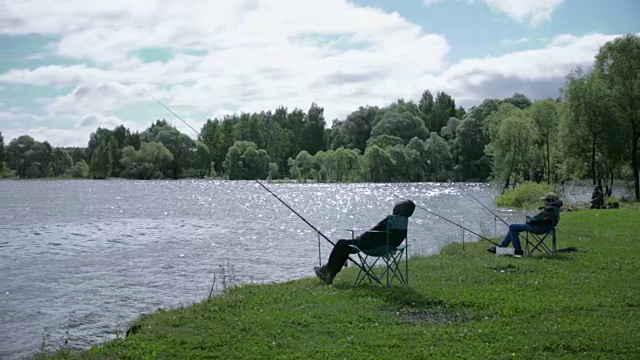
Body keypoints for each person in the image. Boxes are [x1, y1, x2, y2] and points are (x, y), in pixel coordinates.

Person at [314, 199, 416, 285]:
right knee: (345, 247)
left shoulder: (391, 220)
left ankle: (328, 272)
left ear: (400, 209)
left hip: (372, 247)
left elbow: (373, 232)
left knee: (342, 243)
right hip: (386, 247)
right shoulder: (403, 222)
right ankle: (329, 273)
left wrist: (360, 238)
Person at [487, 192, 563, 257]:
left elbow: (537, 219)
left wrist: (530, 218)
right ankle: (502, 248)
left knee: (512, 227)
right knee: (513, 228)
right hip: (548, 228)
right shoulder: (555, 208)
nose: (544, 202)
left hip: (538, 228)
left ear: (550, 200)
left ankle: (517, 250)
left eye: (545, 201)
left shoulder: (549, 209)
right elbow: (543, 219)